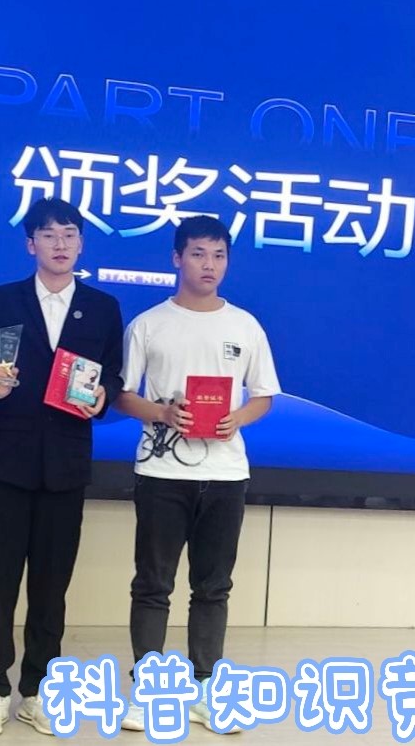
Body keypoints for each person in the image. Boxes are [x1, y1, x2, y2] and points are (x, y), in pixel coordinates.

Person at [0, 198, 124, 736]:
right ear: (31, 243)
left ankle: (38, 689)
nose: (60, 244)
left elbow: (114, 376)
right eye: (49, 235)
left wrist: (103, 395)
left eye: (69, 234)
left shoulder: (101, 307)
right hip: (6, 462)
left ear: (81, 244)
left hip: (66, 465)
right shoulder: (1, 300)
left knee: (51, 587)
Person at [116, 215, 280, 734]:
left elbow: (263, 396)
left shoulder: (245, 325)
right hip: (161, 471)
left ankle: (205, 690)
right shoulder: (148, 324)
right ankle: (147, 691)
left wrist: (238, 418)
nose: (209, 265)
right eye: (198, 254)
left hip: (226, 473)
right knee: (153, 584)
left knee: (213, 587)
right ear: (177, 258)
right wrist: (162, 413)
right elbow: (121, 395)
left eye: (218, 255)